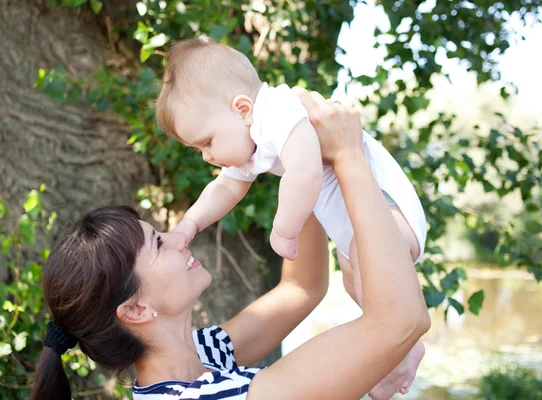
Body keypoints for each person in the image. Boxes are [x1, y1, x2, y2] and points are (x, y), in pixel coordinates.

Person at [31, 90, 431, 400]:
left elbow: (300, 289)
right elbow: (399, 322)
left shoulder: (201, 356)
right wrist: (347, 155)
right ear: (135, 308)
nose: (177, 238)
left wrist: (300, 154)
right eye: (157, 244)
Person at [155, 37, 427, 397]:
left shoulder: (280, 113)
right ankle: (402, 351)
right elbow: (225, 189)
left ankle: (399, 351)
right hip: (356, 228)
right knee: (356, 284)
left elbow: (305, 171)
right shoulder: (251, 135)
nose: (206, 156)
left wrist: (285, 228)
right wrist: (191, 222)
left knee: (370, 280)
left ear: (242, 109)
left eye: (206, 142)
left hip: (389, 212)